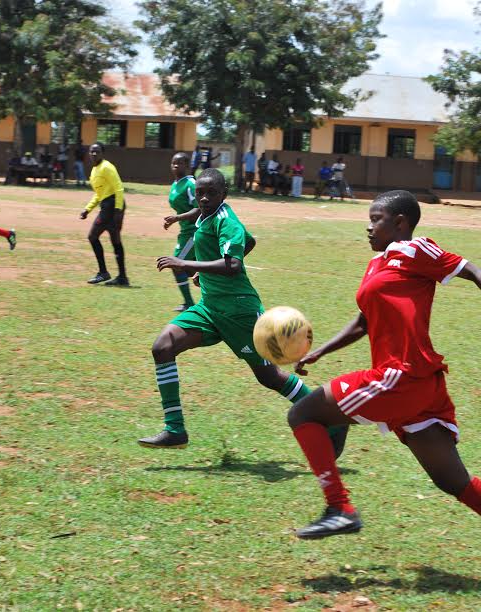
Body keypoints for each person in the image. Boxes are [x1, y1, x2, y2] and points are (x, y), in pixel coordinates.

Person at [285, 190, 481, 584]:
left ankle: (339, 508)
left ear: (400, 223)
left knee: (303, 412)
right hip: (418, 388)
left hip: (402, 377)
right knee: (451, 479)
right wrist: (321, 352)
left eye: (376, 218)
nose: (368, 225)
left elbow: (475, 271)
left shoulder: (415, 250)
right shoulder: (377, 263)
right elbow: (365, 320)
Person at [139, 168, 348, 450]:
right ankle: (175, 429)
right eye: (200, 192)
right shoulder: (207, 215)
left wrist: (186, 264)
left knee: (269, 377)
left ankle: (333, 418)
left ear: (224, 195)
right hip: (210, 308)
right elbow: (248, 242)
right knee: (163, 347)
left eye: (211, 193)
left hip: (240, 313)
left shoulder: (226, 219)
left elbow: (233, 264)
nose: (203, 198)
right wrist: (206, 273)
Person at [79, 143, 128, 286]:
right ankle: (122, 277)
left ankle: (103, 273)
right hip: (107, 204)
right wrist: (88, 209)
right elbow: (99, 194)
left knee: (92, 236)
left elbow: (118, 188)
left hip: (112, 206)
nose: (94, 154)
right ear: (89, 153)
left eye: (97, 151)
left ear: (102, 153)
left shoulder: (107, 167)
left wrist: (118, 210)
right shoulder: (95, 170)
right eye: (92, 151)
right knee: (116, 241)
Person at [164, 152, 200, 311]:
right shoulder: (175, 184)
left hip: (195, 232)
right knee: (188, 268)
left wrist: (177, 218)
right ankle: (192, 302)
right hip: (185, 231)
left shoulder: (191, 184)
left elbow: (199, 209)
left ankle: (189, 303)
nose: (176, 166)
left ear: (188, 165)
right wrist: (175, 220)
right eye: (173, 163)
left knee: (177, 264)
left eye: (180, 163)